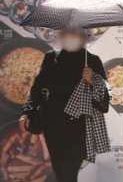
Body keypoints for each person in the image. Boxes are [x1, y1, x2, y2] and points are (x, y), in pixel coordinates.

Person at [20, 28, 109, 182]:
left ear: (85, 37)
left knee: (68, 175)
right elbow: (37, 87)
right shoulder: (51, 58)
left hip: (80, 129)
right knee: (60, 174)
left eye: (78, 34)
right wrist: (26, 112)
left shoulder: (92, 61)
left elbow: (105, 101)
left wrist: (93, 80)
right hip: (53, 127)